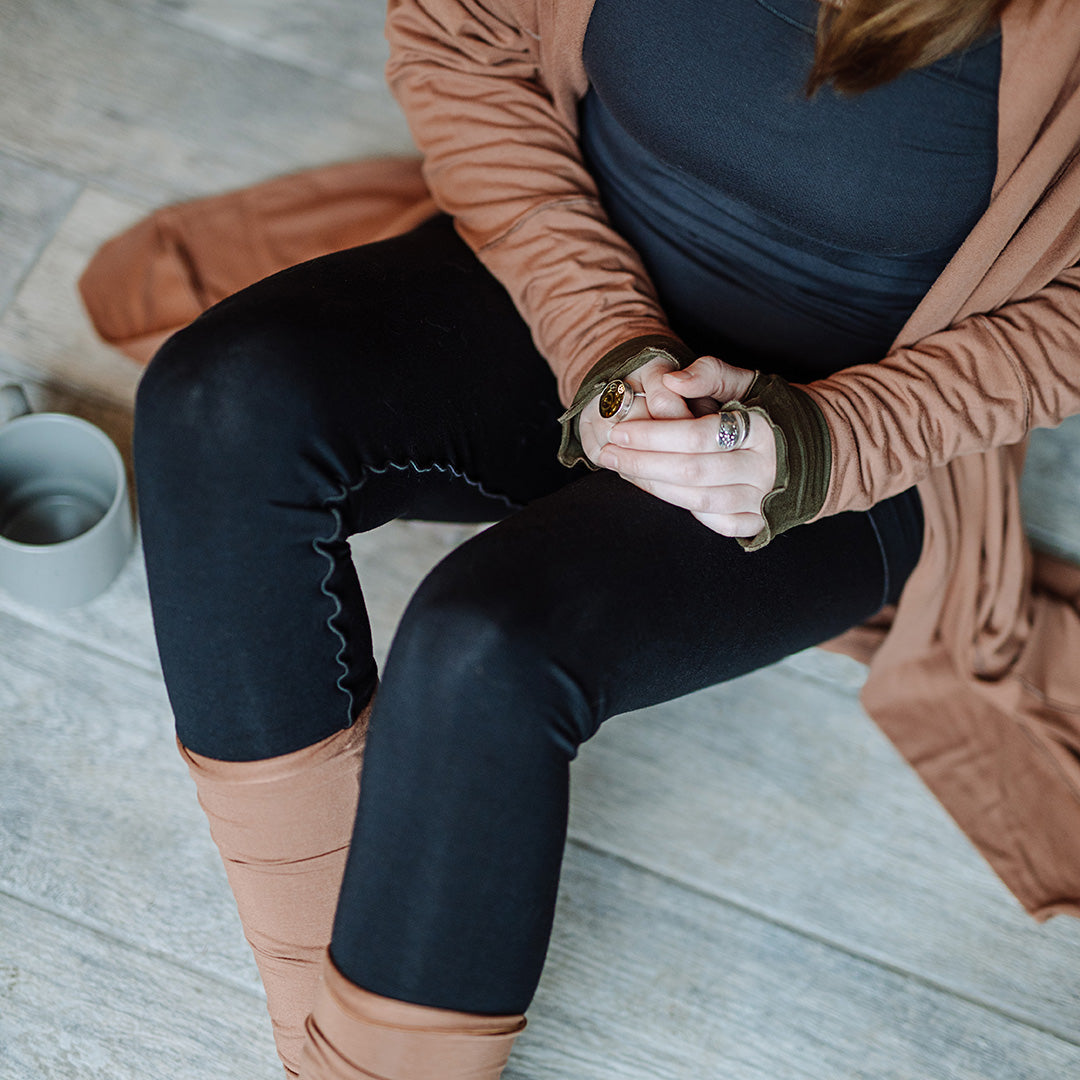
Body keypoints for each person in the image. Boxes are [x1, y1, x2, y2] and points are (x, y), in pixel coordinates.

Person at [131, 0, 1080, 1076]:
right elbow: (458, 41)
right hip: (569, 293)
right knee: (217, 408)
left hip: (866, 429)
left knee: (486, 648)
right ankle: (333, 1045)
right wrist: (604, 345)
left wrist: (826, 440)